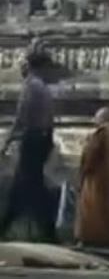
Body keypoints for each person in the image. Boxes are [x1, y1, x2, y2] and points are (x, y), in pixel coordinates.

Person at [0, 51, 57, 243]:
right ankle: (48, 232)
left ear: (31, 66)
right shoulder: (43, 88)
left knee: (23, 185)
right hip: (41, 139)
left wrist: (6, 142)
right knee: (32, 187)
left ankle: (5, 226)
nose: (21, 68)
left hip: (32, 139)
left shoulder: (31, 87)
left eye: (24, 64)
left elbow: (21, 117)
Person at [74, 107, 109, 247]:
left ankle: (91, 238)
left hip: (96, 180)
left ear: (101, 118)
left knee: (92, 210)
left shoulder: (101, 133)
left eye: (96, 118)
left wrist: (82, 175)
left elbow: (90, 156)